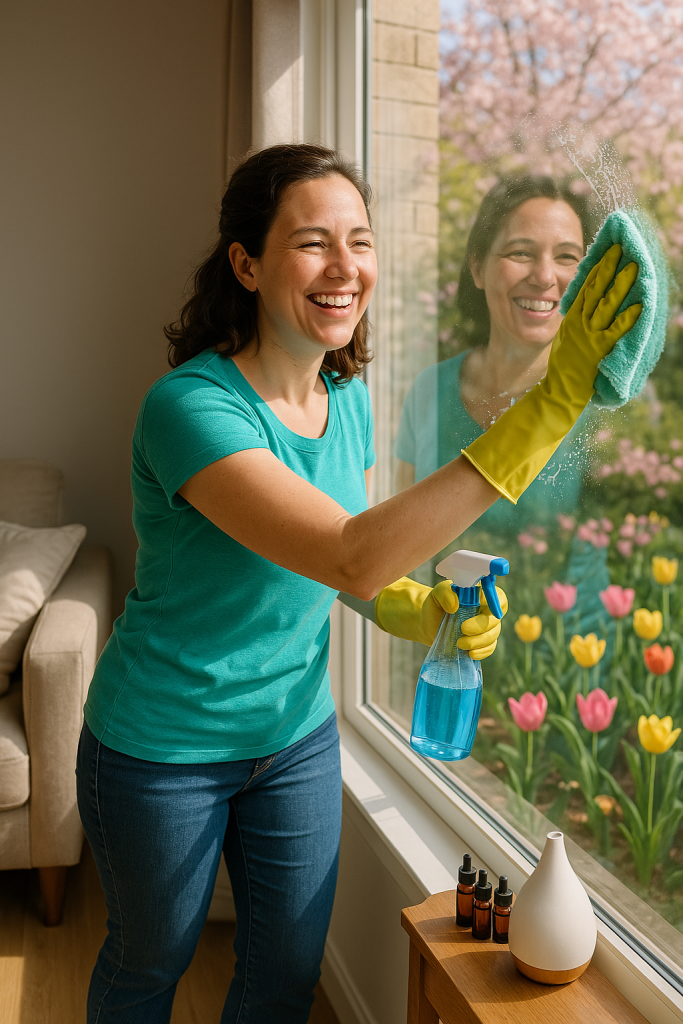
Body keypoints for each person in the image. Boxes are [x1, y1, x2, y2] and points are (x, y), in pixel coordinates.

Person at [76, 145, 639, 1023]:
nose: (344, 267)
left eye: (360, 241)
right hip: (163, 747)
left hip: (294, 736)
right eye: (312, 243)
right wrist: (553, 400)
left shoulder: (348, 401)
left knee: (285, 975)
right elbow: (348, 554)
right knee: (152, 962)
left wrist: (417, 605)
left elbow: (349, 569)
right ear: (247, 264)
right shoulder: (190, 408)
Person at [396, 176, 611, 629]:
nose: (545, 277)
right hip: (444, 645)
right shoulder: (429, 390)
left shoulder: (603, 405)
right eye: (520, 253)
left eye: (567, 257)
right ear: (477, 267)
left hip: (570, 652)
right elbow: (400, 544)